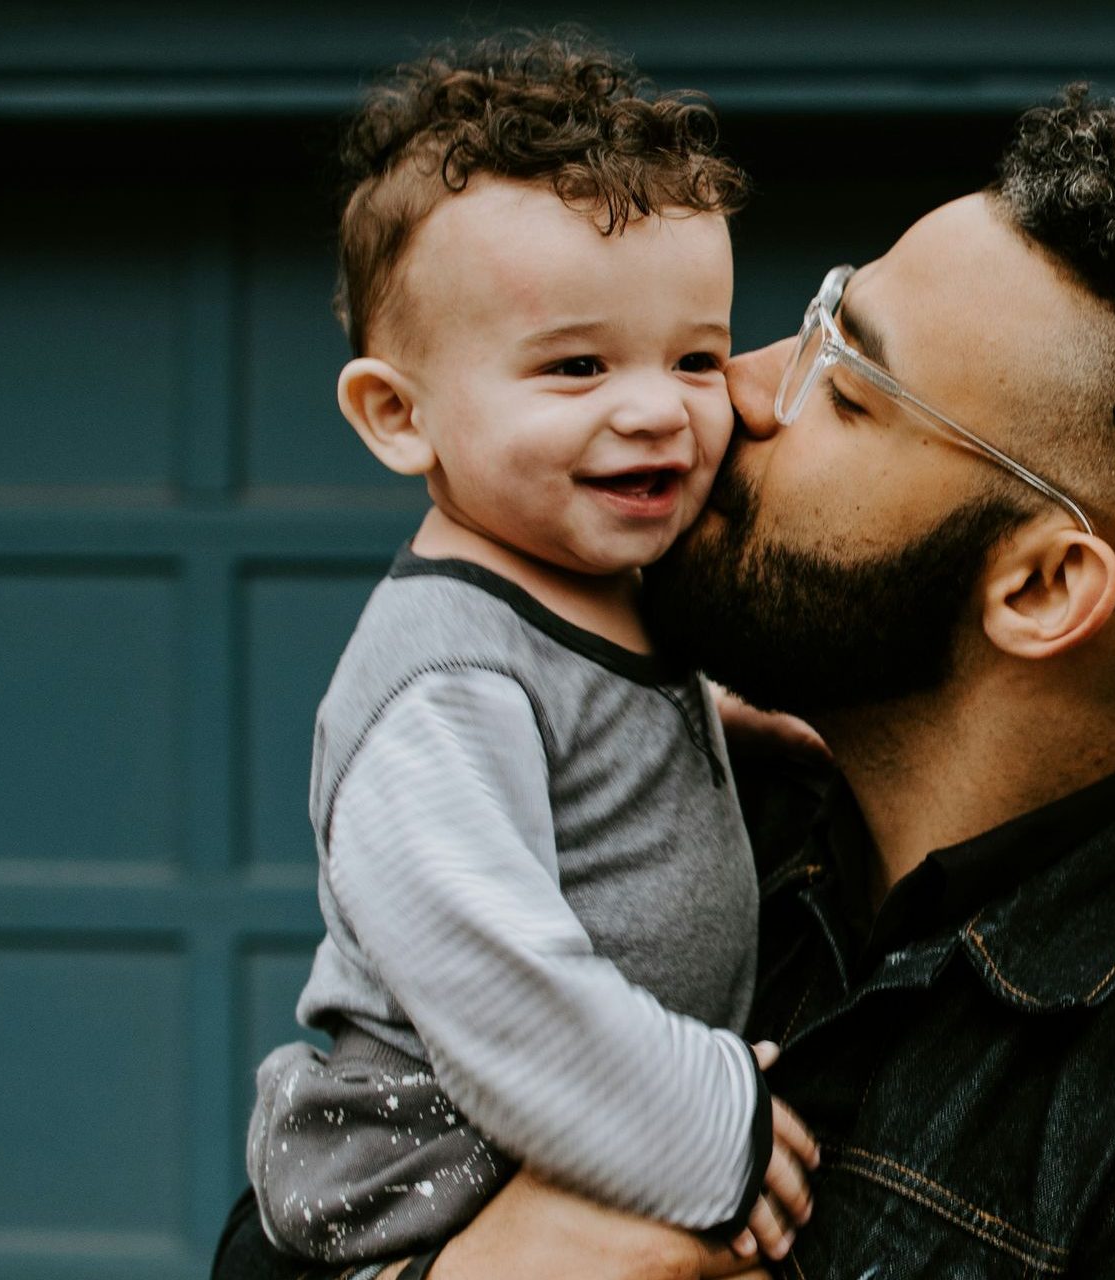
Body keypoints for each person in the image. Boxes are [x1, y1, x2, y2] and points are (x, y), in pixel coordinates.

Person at [219, 77, 1115, 1280]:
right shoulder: (682, 801)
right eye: (810, 318)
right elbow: (287, 1217)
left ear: (1039, 589)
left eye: (845, 385)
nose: (733, 388)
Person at [239, 32, 816, 1275]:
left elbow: (595, 727)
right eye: (577, 365)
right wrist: (712, 1125)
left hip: (555, 1146)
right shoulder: (443, 683)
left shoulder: (600, 589)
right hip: (420, 1185)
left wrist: (721, 721)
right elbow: (498, 979)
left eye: (697, 357)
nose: (657, 406)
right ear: (401, 415)